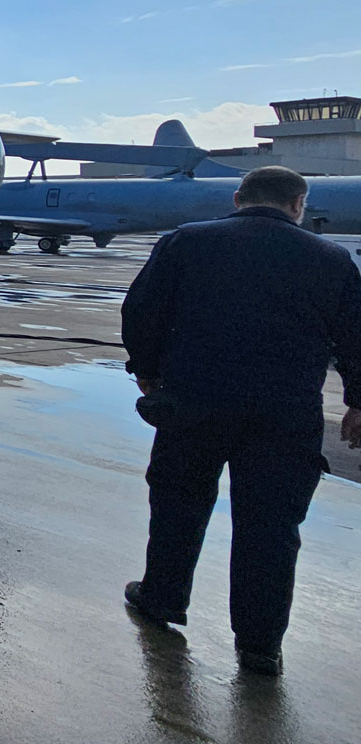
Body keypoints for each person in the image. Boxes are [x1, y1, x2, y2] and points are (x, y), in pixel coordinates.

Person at [120, 165, 361, 675]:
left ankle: (162, 598)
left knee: (178, 506)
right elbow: (356, 340)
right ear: (298, 205)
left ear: (237, 198)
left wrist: (147, 371)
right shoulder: (331, 259)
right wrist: (358, 402)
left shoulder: (185, 242)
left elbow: (141, 310)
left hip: (194, 404)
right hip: (284, 415)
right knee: (271, 527)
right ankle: (260, 644)